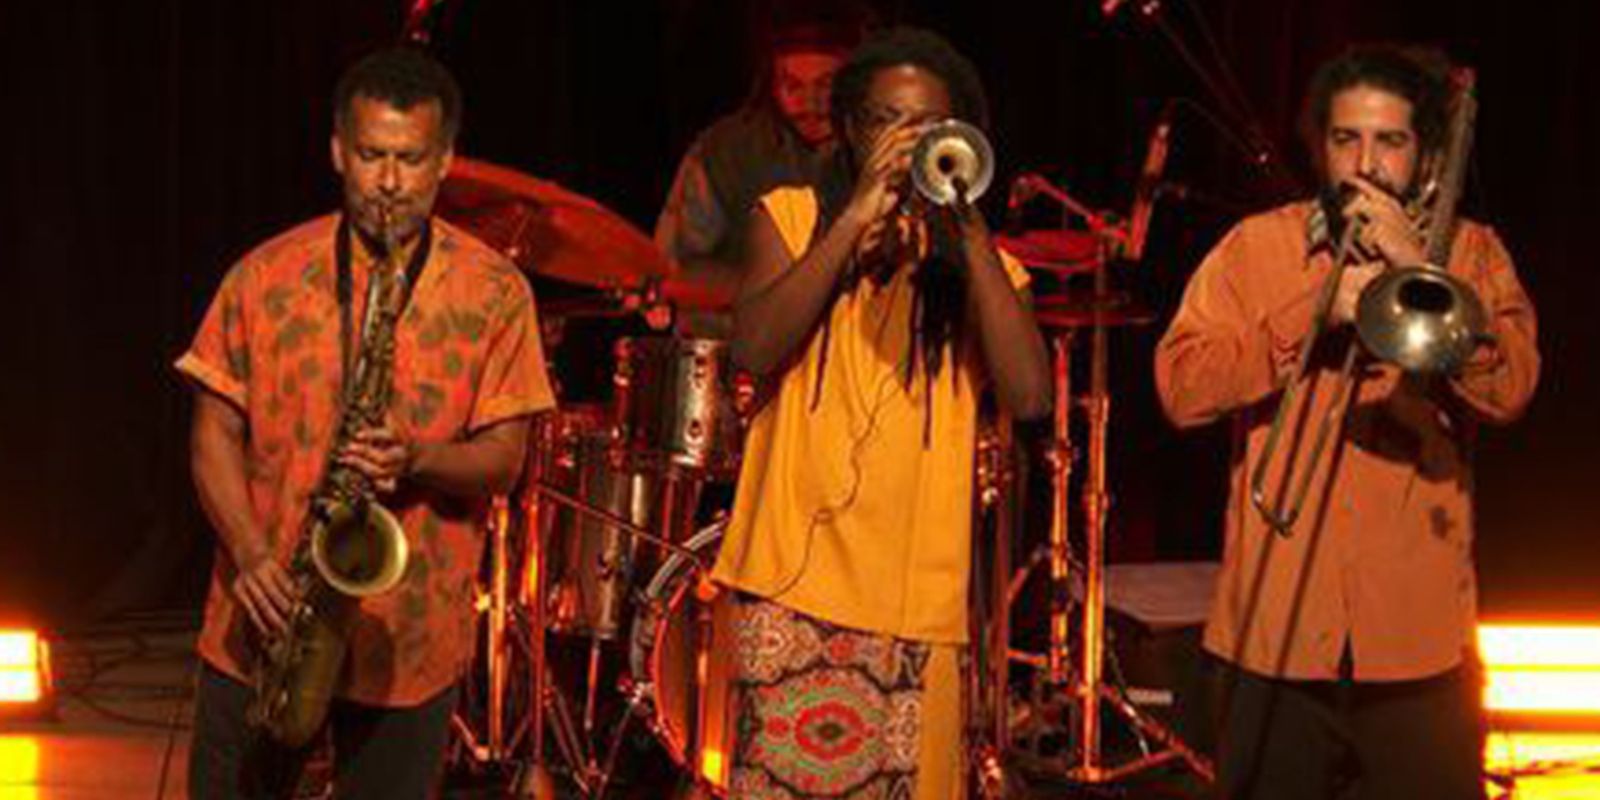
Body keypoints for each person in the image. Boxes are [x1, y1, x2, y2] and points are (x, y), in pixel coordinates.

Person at [1154, 44, 1539, 800]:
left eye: (1390, 141)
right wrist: (1312, 312)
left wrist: (1418, 270)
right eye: (1346, 140)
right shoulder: (1255, 249)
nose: (1366, 164)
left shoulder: (1472, 253)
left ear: (1423, 155)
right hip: (1274, 643)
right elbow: (1180, 389)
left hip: (1419, 648)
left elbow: (1513, 389)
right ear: (1321, 149)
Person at [177, 47, 554, 799]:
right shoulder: (264, 274)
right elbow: (211, 432)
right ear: (336, 151)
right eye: (371, 155)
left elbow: (505, 461)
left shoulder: (495, 291)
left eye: (409, 160)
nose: (388, 182)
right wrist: (249, 553)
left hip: (408, 639)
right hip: (265, 615)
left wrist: (416, 457)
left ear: (444, 161)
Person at [710, 27, 1052, 799]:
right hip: (793, 586)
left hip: (917, 600)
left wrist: (968, 231)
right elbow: (754, 350)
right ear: (850, 129)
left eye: (928, 127)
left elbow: (1030, 396)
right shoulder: (793, 218)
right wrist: (853, 220)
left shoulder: (981, 269)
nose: (905, 142)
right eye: (886, 121)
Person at [653, 5, 868, 335]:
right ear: (770, 82)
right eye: (792, 86)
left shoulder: (883, 146)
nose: (810, 103)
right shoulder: (723, 151)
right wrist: (777, 292)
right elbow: (672, 267)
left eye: (826, 85)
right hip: (748, 349)